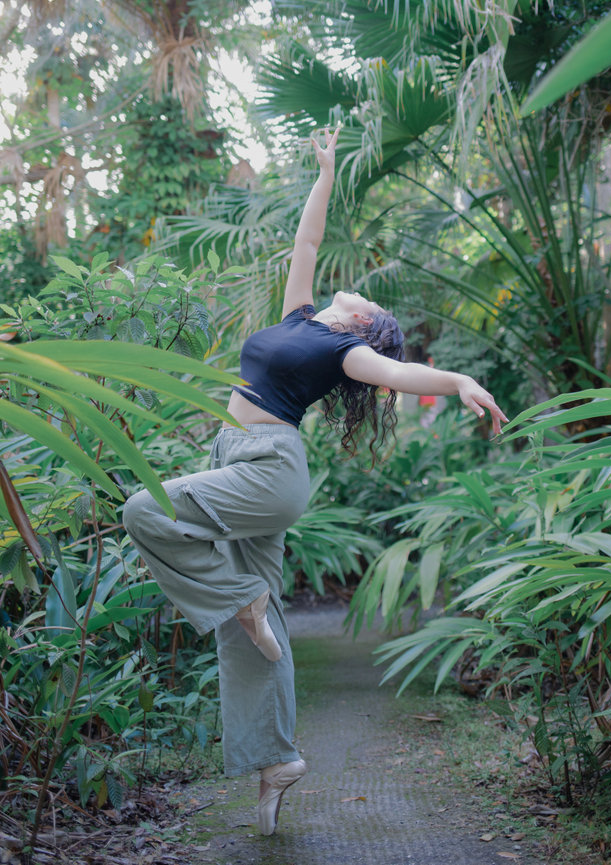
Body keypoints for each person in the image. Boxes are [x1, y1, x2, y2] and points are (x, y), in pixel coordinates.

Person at [122, 127, 507, 837]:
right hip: (234, 454)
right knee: (252, 637)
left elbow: (398, 374)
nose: (354, 284)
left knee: (143, 507)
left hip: (268, 466)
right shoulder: (302, 313)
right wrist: (325, 170)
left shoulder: (347, 348)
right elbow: (306, 242)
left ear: (366, 323)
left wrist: (456, 380)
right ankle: (276, 763)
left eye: (368, 302)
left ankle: (241, 596)